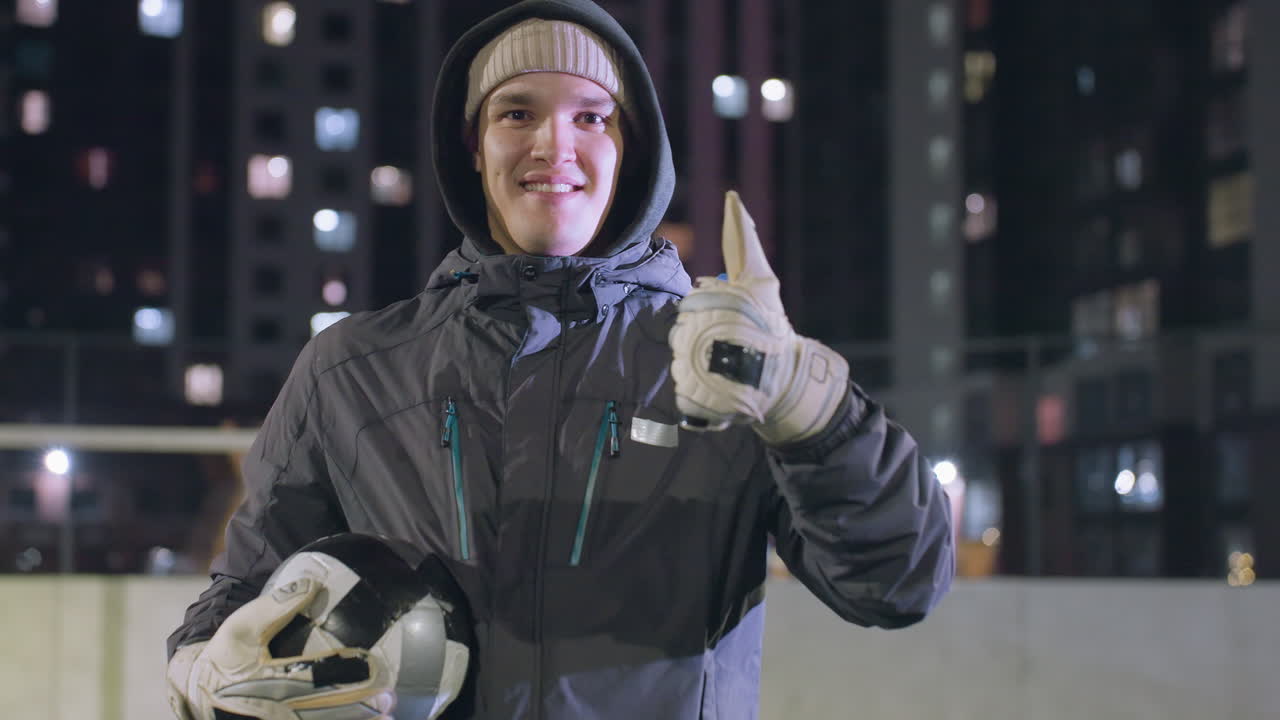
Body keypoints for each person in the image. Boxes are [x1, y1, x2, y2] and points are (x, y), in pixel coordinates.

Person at [166, 0, 955, 718]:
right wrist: (203, 668)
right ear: (473, 146)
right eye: (517, 112)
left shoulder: (724, 364)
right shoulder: (350, 370)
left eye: (592, 117)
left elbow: (898, 586)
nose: (554, 145)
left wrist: (813, 412)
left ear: (631, 149)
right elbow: (246, 596)